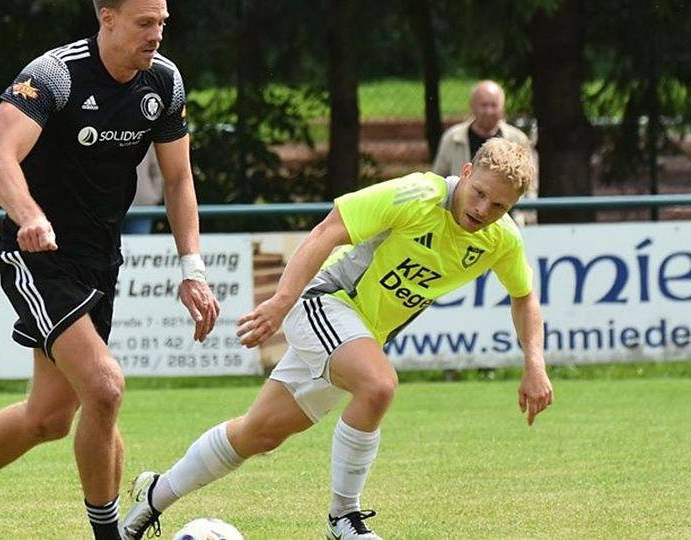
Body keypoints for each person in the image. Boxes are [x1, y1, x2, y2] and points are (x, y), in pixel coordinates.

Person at [0, 1, 220, 539]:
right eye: (145, 23)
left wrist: (193, 269)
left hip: (98, 260)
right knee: (106, 388)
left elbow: (179, 180)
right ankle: (110, 533)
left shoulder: (164, 81)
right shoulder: (54, 76)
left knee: (48, 417)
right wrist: (30, 217)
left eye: (162, 22)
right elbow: (0, 159)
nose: (157, 34)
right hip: (37, 255)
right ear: (106, 18)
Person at [121, 138, 554, 540]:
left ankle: (154, 495)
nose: (483, 209)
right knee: (378, 384)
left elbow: (524, 296)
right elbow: (327, 231)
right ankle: (343, 517)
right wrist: (280, 301)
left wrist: (534, 363)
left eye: (499, 205)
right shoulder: (415, 194)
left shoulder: (501, 239)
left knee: (258, 434)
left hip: (359, 334)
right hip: (324, 303)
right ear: (465, 171)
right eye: (479, 193)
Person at [432, 80, 537, 225]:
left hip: (506, 221)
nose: (488, 111)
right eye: (484, 105)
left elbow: (530, 186)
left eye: (493, 105)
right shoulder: (452, 138)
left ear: (502, 108)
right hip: (456, 220)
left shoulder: (518, 139)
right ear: (472, 106)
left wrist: (527, 218)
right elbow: (438, 178)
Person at [122, 144, 164, 234]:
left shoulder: (146, 139)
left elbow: (158, 168)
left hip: (142, 205)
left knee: (139, 245)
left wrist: (154, 195)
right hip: (109, 207)